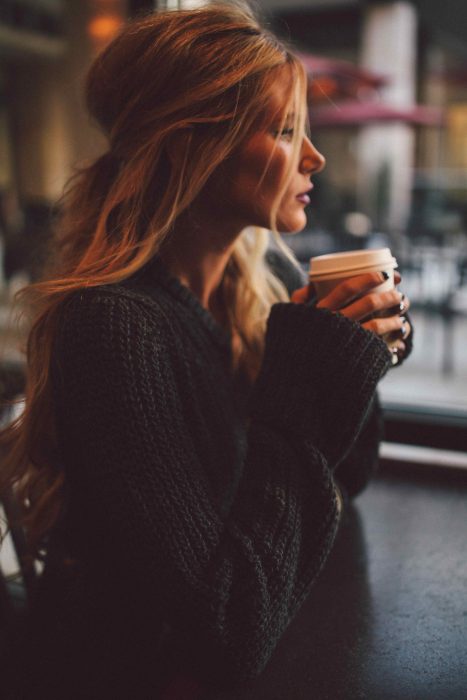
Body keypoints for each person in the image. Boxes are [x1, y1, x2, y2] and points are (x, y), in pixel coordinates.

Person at [0, 3, 412, 698]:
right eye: (285, 131)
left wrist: (360, 359)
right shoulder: (115, 328)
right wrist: (307, 388)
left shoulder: (266, 280)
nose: (311, 157)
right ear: (195, 145)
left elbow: (349, 477)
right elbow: (225, 631)